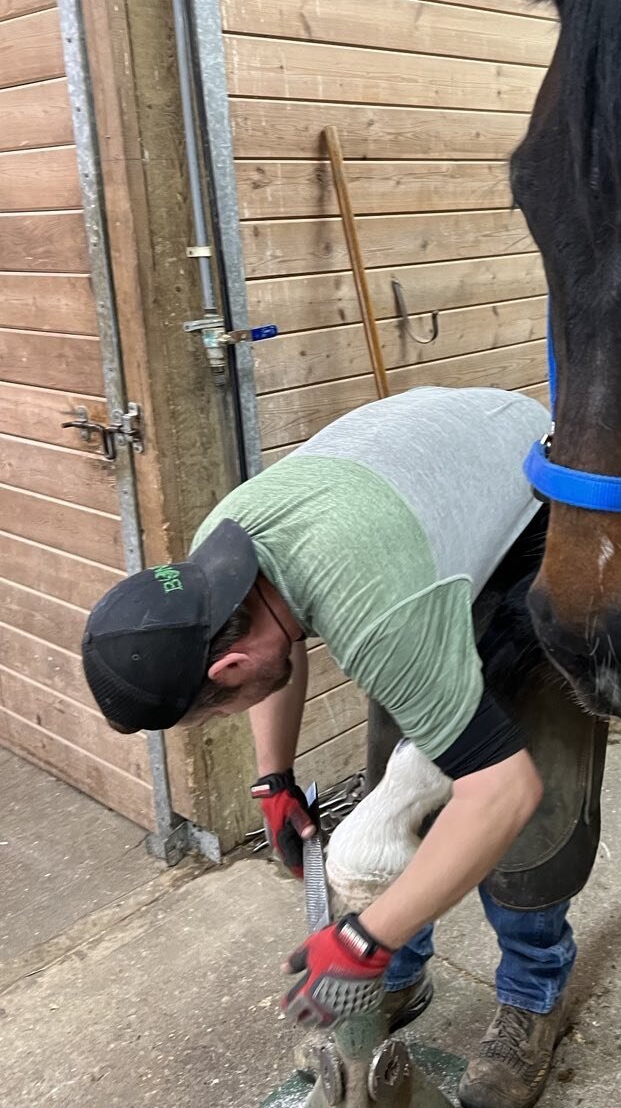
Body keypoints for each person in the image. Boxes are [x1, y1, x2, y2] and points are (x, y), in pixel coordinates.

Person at [80, 387, 586, 1108]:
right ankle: (398, 964)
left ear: (223, 669)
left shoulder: (380, 615)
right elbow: (272, 651)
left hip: (539, 497)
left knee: (530, 782)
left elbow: (504, 795)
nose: (233, 709)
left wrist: (357, 942)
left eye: (219, 709)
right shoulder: (221, 566)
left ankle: (532, 993)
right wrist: (273, 780)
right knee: (401, 774)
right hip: (421, 498)